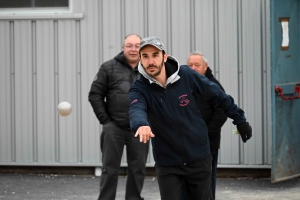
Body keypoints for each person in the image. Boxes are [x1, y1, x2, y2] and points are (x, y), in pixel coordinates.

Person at [128, 36, 252, 200]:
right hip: (168, 164)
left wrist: (240, 120)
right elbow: (136, 108)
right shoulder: (139, 88)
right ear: (141, 60)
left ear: (165, 56)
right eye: (145, 56)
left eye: (155, 55)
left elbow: (219, 96)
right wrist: (141, 124)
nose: (150, 61)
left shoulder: (186, 75)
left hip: (198, 157)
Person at [89, 34, 149, 200]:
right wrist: (106, 122)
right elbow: (95, 94)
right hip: (114, 127)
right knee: (110, 169)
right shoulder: (108, 67)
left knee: (138, 169)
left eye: (137, 46)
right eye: (129, 45)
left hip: (139, 129)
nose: (133, 49)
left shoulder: (149, 69)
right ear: (123, 48)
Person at [181, 52, 228, 200]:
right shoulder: (182, 84)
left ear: (205, 67)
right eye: (190, 65)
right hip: (186, 143)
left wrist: (205, 134)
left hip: (208, 143)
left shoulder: (213, 85)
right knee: (185, 179)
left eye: (197, 65)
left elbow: (222, 111)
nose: (193, 68)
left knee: (206, 181)